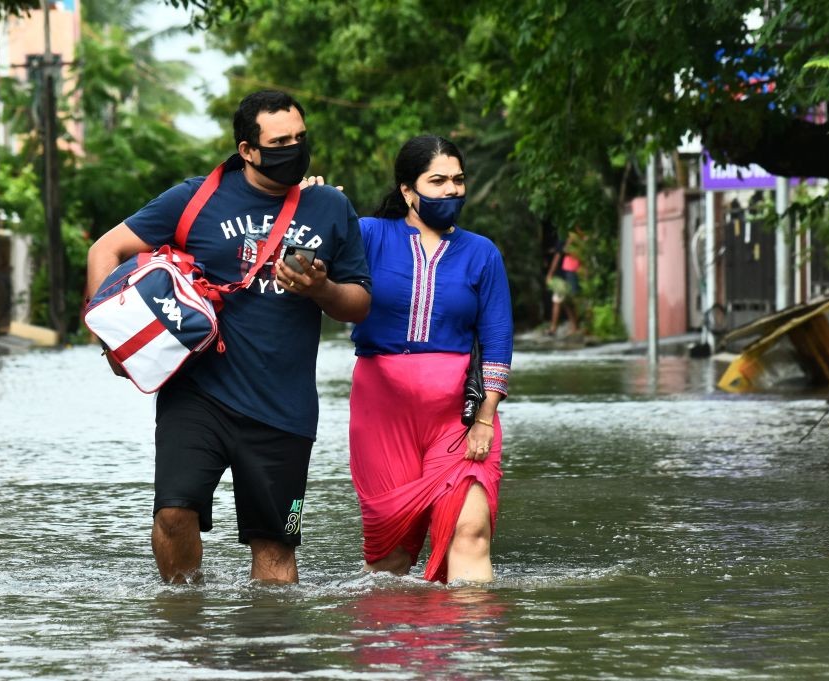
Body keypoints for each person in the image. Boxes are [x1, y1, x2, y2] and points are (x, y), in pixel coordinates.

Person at [86, 90, 372, 584]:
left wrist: (321, 288)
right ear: (247, 150)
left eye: (300, 138)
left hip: (284, 406)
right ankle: (184, 633)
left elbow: (360, 305)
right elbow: (105, 250)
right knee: (174, 516)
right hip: (197, 395)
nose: (295, 148)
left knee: (275, 550)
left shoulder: (330, 206)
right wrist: (113, 341)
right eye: (280, 141)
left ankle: (267, 649)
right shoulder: (195, 198)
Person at [348, 135, 513, 583]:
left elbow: (497, 337)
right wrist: (317, 204)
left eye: (457, 180)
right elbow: (312, 252)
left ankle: (469, 650)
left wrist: (485, 416)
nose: (450, 190)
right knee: (391, 559)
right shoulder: (368, 235)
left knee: (471, 531)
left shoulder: (483, 253)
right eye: (437, 180)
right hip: (382, 416)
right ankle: (397, 649)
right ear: (407, 190)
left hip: (459, 418)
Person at [545, 228, 583, 336]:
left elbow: (557, 256)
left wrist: (550, 274)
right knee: (566, 301)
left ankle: (554, 328)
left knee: (559, 300)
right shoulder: (577, 238)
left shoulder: (565, 238)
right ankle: (574, 327)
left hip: (564, 273)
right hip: (571, 271)